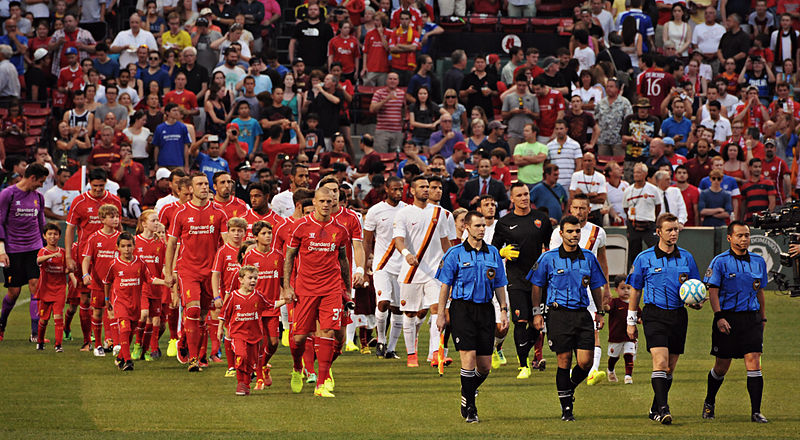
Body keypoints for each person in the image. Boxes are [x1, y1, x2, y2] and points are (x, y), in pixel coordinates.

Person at [529, 215, 607, 421]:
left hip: (582, 314)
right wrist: (537, 312)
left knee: (586, 362)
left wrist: (600, 310)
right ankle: (566, 410)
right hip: (558, 314)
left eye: (577, 231)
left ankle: (568, 388)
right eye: (570, 231)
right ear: (561, 233)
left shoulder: (589, 257)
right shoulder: (548, 258)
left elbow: (596, 285)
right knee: (564, 360)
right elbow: (537, 285)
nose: (574, 235)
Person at [626, 212, 701, 424]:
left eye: (676, 229)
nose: (674, 233)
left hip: (678, 315)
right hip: (654, 314)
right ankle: (664, 409)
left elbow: (695, 288)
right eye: (669, 229)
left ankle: (655, 408)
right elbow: (635, 290)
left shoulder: (686, 257)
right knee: (659, 362)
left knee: (669, 368)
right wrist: (631, 321)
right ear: (658, 232)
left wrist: (697, 301)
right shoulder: (644, 258)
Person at [435, 210, 508, 423]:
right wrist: (441, 314)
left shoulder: (493, 252)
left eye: (484, 225)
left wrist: (503, 310)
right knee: (468, 359)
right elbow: (445, 286)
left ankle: (466, 390)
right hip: (462, 310)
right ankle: (471, 410)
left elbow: (500, 284)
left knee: (484, 366)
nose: (482, 229)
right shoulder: (454, 253)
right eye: (477, 226)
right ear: (466, 227)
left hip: (485, 310)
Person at [283, 186, 351, 397]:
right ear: (314, 202)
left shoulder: (340, 229)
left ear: (334, 203)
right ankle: (297, 368)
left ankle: (321, 384)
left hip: (331, 287)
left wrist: (346, 288)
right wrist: (287, 286)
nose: (325, 205)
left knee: (328, 332)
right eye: (322, 201)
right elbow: (290, 257)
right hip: (306, 288)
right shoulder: (300, 226)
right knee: (300, 337)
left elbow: (343, 259)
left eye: (330, 201)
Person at [702, 221, 769, 423]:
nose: (744, 239)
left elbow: (760, 291)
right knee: (722, 366)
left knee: (754, 361)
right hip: (727, 318)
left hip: (751, 318)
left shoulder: (758, 261)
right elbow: (712, 291)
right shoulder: (719, 262)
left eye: (747, 235)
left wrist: (763, 317)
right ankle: (709, 402)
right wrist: (719, 316)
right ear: (729, 238)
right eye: (739, 235)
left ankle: (756, 411)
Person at [164, 172, 230, 372]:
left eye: (206, 184)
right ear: (190, 188)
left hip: (211, 272)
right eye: (199, 184)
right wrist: (169, 272)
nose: (204, 187)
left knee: (202, 317)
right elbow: (172, 244)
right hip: (188, 270)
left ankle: (187, 342)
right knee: (192, 311)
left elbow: (227, 243)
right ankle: (194, 359)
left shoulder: (219, 213)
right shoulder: (180, 213)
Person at [549, 193, 612, 385]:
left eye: (583, 208)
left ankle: (592, 371)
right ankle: (574, 372)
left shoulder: (598, 232)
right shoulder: (559, 232)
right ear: (570, 209)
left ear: (589, 210)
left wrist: (607, 288)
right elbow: (551, 260)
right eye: (575, 208)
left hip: (589, 289)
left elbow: (602, 261)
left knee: (595, 327)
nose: (579, 211)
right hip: (564, 291)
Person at [491, 182, 553, 377]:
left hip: (539, 280)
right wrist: (502, 251)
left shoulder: (541, 219)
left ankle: (523, 352)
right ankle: (524, 365)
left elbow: (550, 246)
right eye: (519, 195)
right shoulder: (504, 222)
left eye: (526, 194)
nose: (524, 198)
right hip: (516, 279)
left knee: (538, 323)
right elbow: (493, 251)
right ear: (512, 199)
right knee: (520, 321)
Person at [392, 176, 452, 368]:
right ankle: (411, 354)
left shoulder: (439, 213)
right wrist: (407, 254)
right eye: (422, 187)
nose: (426, 190)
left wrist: (451, 261)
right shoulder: (403, 214)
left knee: (437, 309)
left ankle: (436, 353)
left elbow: (445, 241)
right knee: (410, 314)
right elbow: (398, 240)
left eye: (428, 187)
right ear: (412, 191)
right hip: (411, 271)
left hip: (435, 271)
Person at [103, 232, 166, 371]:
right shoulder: (113, 264)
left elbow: (150, 279)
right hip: (120, 303)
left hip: (135, 304)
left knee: (130, 332)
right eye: (123, 246)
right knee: (124, 328)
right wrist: (107, 299)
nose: (127, 249)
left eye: (129, 246)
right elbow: (107, 282)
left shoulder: (140, 263)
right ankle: (128, 361)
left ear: (134, 246)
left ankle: (120, 357)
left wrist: (165, 282)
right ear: (117, 248)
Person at [0, 164, 49, 342]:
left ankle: (35, 334)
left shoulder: (39, 198)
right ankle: (2, 324)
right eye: (41, 181)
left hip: (34, 248)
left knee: (36, 286)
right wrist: (1, 250)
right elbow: (0, 221)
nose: (42, 185)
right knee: (14, 292)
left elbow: (40, 223)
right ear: (32, 178)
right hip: (13, 250)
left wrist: (44, 246)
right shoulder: (8, 194)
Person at [363, 177, 406, 358]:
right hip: (382, 264)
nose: (398, 193)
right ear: (386, 189)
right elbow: (366, 240)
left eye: (401, 189)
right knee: (383, 302)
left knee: (398, 308)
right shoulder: (375, 211)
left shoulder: (407, 210)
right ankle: (381, 340)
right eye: (395, 189)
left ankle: (391, 348)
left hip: (402, 265)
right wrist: (364, 265)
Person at [218, 265, 268, 395]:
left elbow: (270, 304)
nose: (253, 281)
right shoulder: (234, 296)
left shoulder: (258, 296)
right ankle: (240, 383)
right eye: (250, 278)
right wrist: (220, 329)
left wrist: (285, 301)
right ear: (240, 280)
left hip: (254, 335)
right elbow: (224, 314)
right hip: (238, 334)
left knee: (251, 361)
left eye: (255, 278)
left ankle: (245, 385)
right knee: (242, 355)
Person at [81, 203, 121, 356]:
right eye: (112, 217)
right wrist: (85, 274)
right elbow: (86, 259)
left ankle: (116, 344)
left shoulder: (120, 238)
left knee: (115, 312)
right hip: (98, 283)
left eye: (117, 216)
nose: (116, 220)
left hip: (116, 283)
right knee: (97, 312)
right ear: (102, 219)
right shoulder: (94, 238)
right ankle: (98, 345)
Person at [132, 210, 167, 361]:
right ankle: (138, 344)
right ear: (144, 223)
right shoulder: (134, 241)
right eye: (153, 220)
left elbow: (165, 266)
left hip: (157, 286)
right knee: (144, 314)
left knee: (155, 319)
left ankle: (148, 349)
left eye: (158, 220)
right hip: (141, 287)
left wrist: (168, 276)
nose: (157, 223)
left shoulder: (161, 244)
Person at [35, 223, 71, 352]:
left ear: (59, 236)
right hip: (45, 290)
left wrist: (71, 273)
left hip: (60, 289)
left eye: (55, 234)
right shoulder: (43, 251)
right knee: (44, 320)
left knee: (58, 317)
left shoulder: (63, 252)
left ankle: (58, 345)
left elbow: (66, 269)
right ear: (44, 236)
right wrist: (51, 256)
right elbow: (38, 260)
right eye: (49, 234)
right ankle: (40, 341)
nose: (52, 237)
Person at [623, 163, 661, 269]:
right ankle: (634, 273)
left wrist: (652, 218)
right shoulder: (628, 190)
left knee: (656, 248)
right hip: (633, 225)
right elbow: (626, 208)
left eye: (639, 172)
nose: (636, 175)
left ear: (645, 174)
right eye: (634, 172)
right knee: (633, 252)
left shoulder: (653, 189)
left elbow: (658, 206)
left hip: (649, 225)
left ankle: (657, 268)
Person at [606, 277, 640, 384]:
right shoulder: (615, 302)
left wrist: (640, 320)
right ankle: (610, 370)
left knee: (629, 354)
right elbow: (608, 309)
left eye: (628, 288)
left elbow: (639, 316)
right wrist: (604, 304)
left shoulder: (634, 304)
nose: (626, 290)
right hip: (616, 336)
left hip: (630, 336)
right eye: (622, 288)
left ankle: (628, 376)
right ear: (616, 289)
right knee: (613, 357)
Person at [289, 3, 333, 69]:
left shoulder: (326, 27)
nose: (313, 11)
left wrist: (329, 63)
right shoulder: (300, 26)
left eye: (315, 9)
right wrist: (292, 60)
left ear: (319, 12)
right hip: (302, 64)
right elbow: (292, 42)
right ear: (307, 11)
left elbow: (331, 45)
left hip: (321, 64)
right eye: (310, 9)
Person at [152, 103, 192, 170]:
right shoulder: (160, 128)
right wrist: (156, 163)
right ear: (167, 112)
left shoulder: (182, 127)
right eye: (174, 110)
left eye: (177, 110)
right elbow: (156, 147)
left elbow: (186, 146)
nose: (176, 113)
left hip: (178, 163)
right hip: (163, 163)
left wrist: (186, 165)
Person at [547, 120, 583, 189]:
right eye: (557, 129)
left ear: (566, 129)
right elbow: (548, 165)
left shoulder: (575, 145)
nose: (559, 131)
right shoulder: (549, 146)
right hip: (554, 184)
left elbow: (579, 165)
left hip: (569, 183)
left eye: (561, 129)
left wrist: (574, 182)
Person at [739, 158, 776, 224]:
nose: (758, 169)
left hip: (764, 221)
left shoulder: (768, 183)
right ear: (750, 168)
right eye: (755, 167)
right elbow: (743, 205)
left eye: (759, 167)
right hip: (750, 220)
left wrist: (766, 217)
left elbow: (772, 202)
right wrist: (741, 220)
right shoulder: (745, 186)